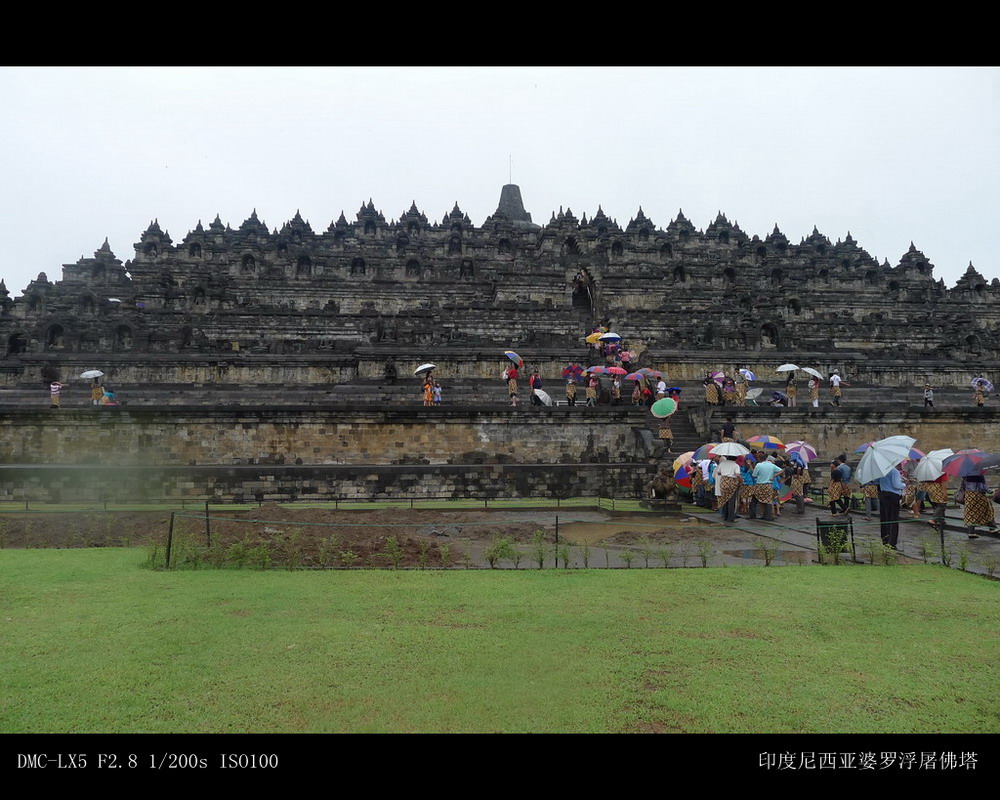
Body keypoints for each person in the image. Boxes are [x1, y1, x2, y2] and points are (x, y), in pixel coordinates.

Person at [878, 464, 905, 549]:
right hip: (892, 496)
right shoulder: (894, 471)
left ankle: (885, 540)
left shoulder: (882, 471)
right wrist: (904, 484)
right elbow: (896, 485)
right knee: (893, 519)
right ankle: (892, 543)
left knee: (884, 519)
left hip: (883, 495)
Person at [715, 455, 742, 522]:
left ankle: (725, 516)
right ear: (735, 459)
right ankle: (730, 518)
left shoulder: (722, 463)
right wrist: (741, 480)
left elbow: (718, 473)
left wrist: (725, 472)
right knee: (731, 500)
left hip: (723, 482)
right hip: (731, 483)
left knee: (725, 499)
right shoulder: (736, 465)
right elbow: (738, 474)